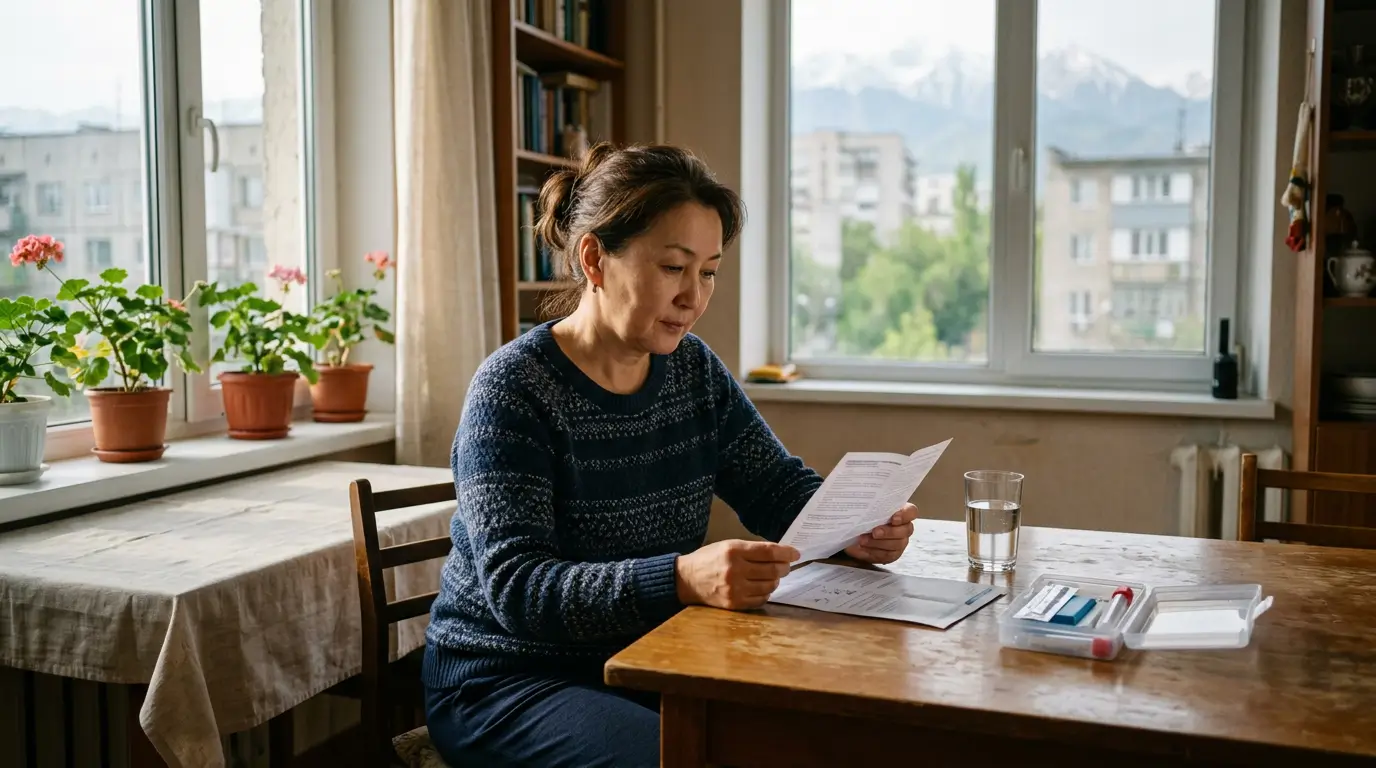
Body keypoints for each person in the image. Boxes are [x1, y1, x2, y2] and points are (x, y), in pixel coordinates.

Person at [421, 142, 920, 767]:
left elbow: (775, 488)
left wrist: (856, 527)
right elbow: (520, 591)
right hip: (509, 682)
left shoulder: (692, 371)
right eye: (673, 268)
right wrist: (680, 577)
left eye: (708, 271)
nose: (694, 297)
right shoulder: (513, 390)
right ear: (595, 258)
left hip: (655, 659)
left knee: (822, 731)